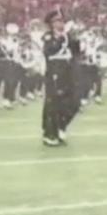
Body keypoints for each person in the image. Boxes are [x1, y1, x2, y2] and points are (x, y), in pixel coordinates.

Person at [41, 9, 81, 147]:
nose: (61, 23)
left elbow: (77, 51)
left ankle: (61, 126)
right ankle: (49, 133)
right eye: (57, 21)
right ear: (51, 24)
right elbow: (50, 50)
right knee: (54, 104)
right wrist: (61, 38)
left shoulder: (67, 36)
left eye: (62, 20)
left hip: (68, 71)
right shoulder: (48, 36)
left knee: (74, 102)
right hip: (54, 71)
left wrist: (73, 37)